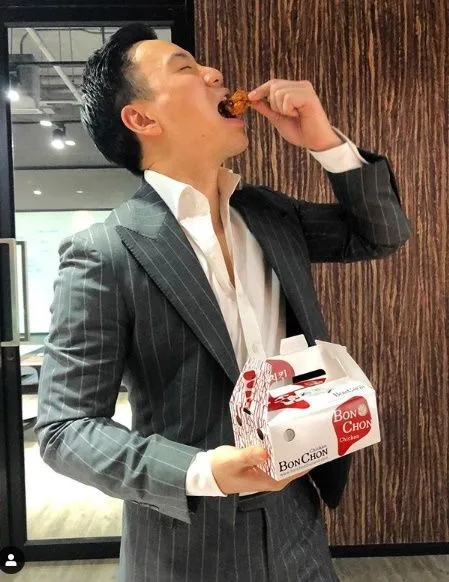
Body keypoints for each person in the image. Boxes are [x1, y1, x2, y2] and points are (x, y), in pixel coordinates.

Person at [35, 23, 411, 582]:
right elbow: (65, 430)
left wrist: (325, 142)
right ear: (142, 119)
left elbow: (381, 234)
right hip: (186, 543)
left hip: (298, 522)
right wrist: (202, 470)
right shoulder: (105, 251)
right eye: (186, 68)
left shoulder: (267, 214)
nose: (214, 73)